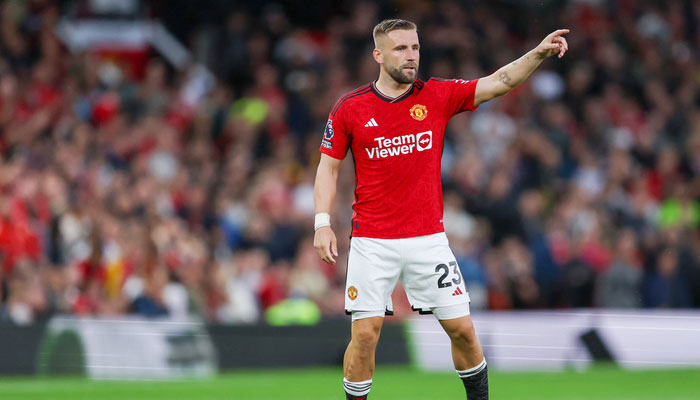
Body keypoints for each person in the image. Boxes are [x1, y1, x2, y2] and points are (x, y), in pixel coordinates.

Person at [313, 19, 569, 400]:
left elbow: (500, 81)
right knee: (365, 335)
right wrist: (321, 223)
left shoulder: (437, 95)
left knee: (463, 330)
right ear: (378, 55)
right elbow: (327, 167)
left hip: (427, 240)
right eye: (400, 49)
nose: (411, 55)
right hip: (372, 240)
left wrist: (537, 53)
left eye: (415, 47)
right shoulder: (350, 108)